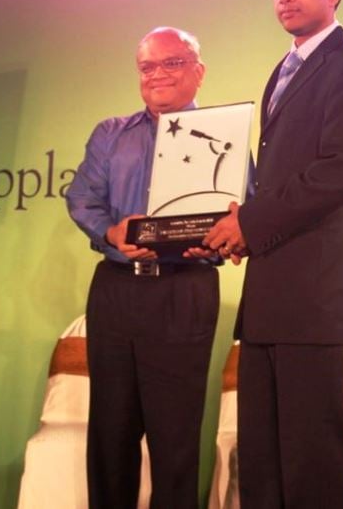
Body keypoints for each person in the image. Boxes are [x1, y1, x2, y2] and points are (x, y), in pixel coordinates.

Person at [202, 0, 343, 508]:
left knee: (310, 471)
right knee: (262, 467)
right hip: (268, 304)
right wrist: (238, 220)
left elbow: (342, 172)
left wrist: (251, 223)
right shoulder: (281, 70)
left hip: (316, 303)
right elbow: (279, 183)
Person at [66, 27, 219, 509]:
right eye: (147, 66)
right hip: (116, 291)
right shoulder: (110, 134)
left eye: (171, 63)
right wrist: (112, 235)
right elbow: (82, 198)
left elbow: (244, 207)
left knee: (175, 439)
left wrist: (211, 243)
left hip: (185, 290)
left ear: (198, 71)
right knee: (111, 433)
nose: (157, 75)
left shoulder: (222, 135)